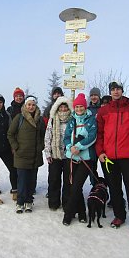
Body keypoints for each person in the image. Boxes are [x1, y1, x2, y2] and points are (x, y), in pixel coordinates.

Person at [96, 81, 129, 239]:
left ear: (122, 91)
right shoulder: (104, 111)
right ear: (110, 92)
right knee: (115, 189)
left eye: (118, 89)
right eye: (113, 89)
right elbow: (100, 134)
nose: (115, 92)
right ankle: (119, 216)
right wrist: (100, 152)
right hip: (110, 158)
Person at [62, 93, 97, 226]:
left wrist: (79, 146)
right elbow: (66, 137)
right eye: (77, 107)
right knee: (73, 187)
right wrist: (70, 146)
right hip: (71, 157)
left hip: (85, 158)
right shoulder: (72, 120)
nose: (79, 109)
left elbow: (92, 137)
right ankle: (82, 213)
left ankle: (68, 214)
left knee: (77, 186)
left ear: (85, 107)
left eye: (81, 106)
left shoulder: (91, 119)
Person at [7, 95, 45, 213]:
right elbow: (10, 134)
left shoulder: (40, 119)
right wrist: (16, 147)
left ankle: (29, 201)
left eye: (33, 104)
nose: (31, 107)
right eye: (29, 104)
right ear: (25, 105)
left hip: (35, 155)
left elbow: (44, 135)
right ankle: (20, 202)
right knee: (22, 181)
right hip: (21, 155)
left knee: (32, 180)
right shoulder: (19, 118)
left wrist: (41, 146)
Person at [44, 96, 73, 210]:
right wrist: (48, 152)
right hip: (55, 155)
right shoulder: (52, 119)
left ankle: (67, 203)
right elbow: (48, 136)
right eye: (61, 107)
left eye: (65, 107)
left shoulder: (72, 119)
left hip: (69, 155)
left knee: (68, 181)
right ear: (57, 108)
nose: (63, 109)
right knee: (54, 179)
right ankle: (53, 203)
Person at [87, 87, 102, 185]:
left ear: (99, 96)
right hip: (91, 143)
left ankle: (109, 187)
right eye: (92, 95)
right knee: (91, 168)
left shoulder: (104, 108)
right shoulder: (87, 110)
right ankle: (96, 186)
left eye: (95, 95)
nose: (93, 97)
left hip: (103, 142)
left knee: (107, 168)